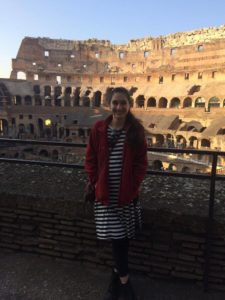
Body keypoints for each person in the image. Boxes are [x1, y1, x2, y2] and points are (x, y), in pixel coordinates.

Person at [85, 87, 148, 300]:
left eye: (123, 103)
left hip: (126, 196)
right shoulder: (99, 128)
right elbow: (90, 158)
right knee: (117, 240)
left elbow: (141, 164)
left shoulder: (136, 131)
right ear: (109, 104)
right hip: (104, 195)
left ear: (129, 105)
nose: (118, 107)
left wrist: (132, 187)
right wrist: (95, 181)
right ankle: (125, 283)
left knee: (122, 240)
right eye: (115, 103)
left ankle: (116, 282)